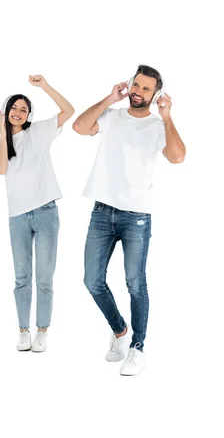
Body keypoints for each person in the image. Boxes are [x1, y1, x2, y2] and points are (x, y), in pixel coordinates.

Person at [73, 64, 185, 376]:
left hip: (136, 215)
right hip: (101, 211)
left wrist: (167, 116)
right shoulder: (112, 116)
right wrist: (109, 99)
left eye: (146, 88)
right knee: (92, 280)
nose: (138, 91)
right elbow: (80, 127)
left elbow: (177, 157)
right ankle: (119, 331)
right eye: (136, 85)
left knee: (135, 282)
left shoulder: (159, 125)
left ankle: (137, 347)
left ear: (155, 94)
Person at [0, 75, 74, 353]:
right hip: (17, 218)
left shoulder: (38, 132)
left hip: (45, 212)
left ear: (28, 115)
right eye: (14, 108)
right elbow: (1, 168)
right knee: (22, 277)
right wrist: (3, 135)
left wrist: (45, 87)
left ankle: (42, 331)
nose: (18, 112)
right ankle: (23, 331)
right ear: (6, 111)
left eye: (24, 109)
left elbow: (68, 112)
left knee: (44, 278)